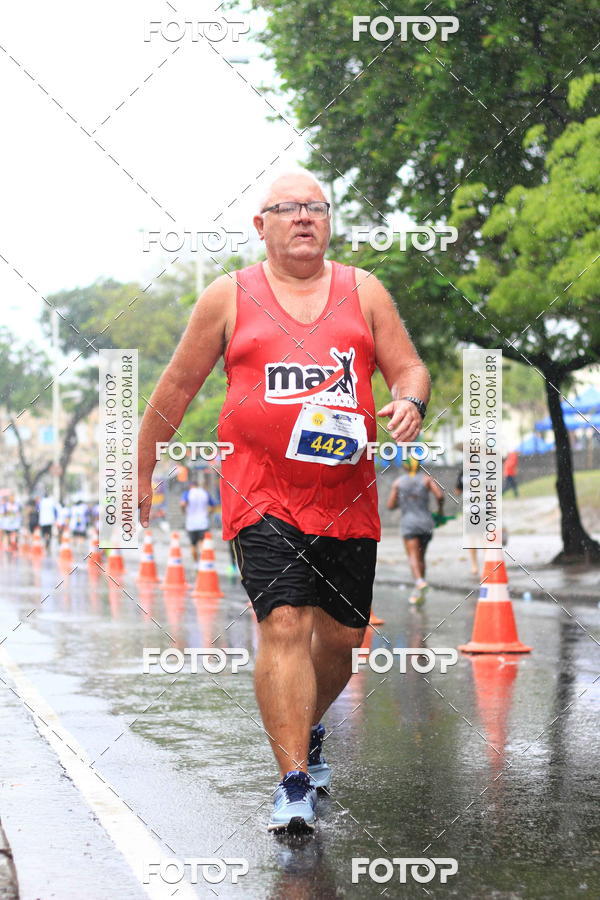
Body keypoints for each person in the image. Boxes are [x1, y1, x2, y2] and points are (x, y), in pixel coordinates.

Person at [137, 170, 430, 834]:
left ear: (328, 222)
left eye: (315, 208)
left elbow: (409, 366)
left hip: (346, 494)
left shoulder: (364, 291)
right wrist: (142, 468)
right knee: (285, 624)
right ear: (260, 226)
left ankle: (310, 724)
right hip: (259, 488)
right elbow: (176, 388)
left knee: (340, 638)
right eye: (287, 209)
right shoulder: (228, 296)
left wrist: (410, 399)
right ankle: (293, 780)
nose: (303, 218)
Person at [387, 457, 444, 604]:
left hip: (409, 523)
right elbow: (440, 495)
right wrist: (440, 510)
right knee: (421, 557)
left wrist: (405, 500)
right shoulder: (427, 480)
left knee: (413, 556)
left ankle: (419, 582)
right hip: (426, 523)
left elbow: (390, 505)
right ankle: (419, 592)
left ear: (405, 467)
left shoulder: (398, 483)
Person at [180, 475, 214, 563]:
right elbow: (213, 505)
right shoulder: (204, 492)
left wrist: (184, 511)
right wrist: (209, 513)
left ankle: (196, 563)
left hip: (191, 524)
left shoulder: (187, 493)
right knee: (203, 543)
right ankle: (204, 563)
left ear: (190, 485)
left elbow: (183, 504)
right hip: (203, 522)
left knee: (193, 545)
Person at [454, 471, 479, 577]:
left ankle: (488, 563)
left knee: (484, 538)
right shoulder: (462, 474)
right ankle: (474, 565)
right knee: (471, 538)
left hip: (483, 508)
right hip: (469, 510)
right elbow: (457, 490)